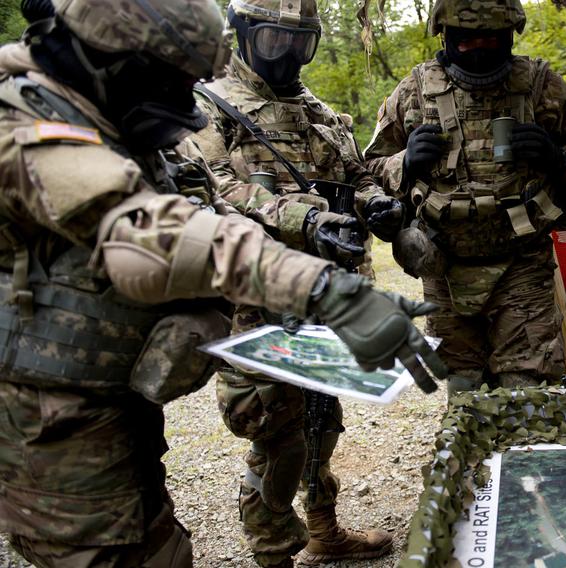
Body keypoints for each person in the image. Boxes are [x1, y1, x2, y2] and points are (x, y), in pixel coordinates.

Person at [0, 1, 444, 567]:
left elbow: (197, 200)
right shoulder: (27, 123)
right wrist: (325, 286)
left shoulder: (90, 107)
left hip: (102, 402)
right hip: (52, 419)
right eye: (172, 82)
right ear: (111, 58)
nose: (188, 105)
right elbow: (152, 229)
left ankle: (317, 527)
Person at [188, 1, 404, 566]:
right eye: (275, 41)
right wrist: (305, 218)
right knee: (275, 432)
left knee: (319, 419)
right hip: (258, 296)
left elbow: (353, 175)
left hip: (325, 294)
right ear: (243, 34)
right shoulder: (209, 107)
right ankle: (274, 553)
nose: (288, 56)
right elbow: (220, 193)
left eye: (300, 42)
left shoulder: (318, 112)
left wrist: (375, 203)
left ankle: (323, 529)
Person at [364, 0, 566, 395]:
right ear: (445, 36)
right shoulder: (414, 90)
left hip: (522, 265)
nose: (479, 49)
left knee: (524, 391)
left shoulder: (542, 85)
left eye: (491, 39)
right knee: (463, 390)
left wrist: (558, 156)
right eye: (466, 41)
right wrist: (404, 163)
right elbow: (367, 171)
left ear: (510, 35)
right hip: (444, 267)